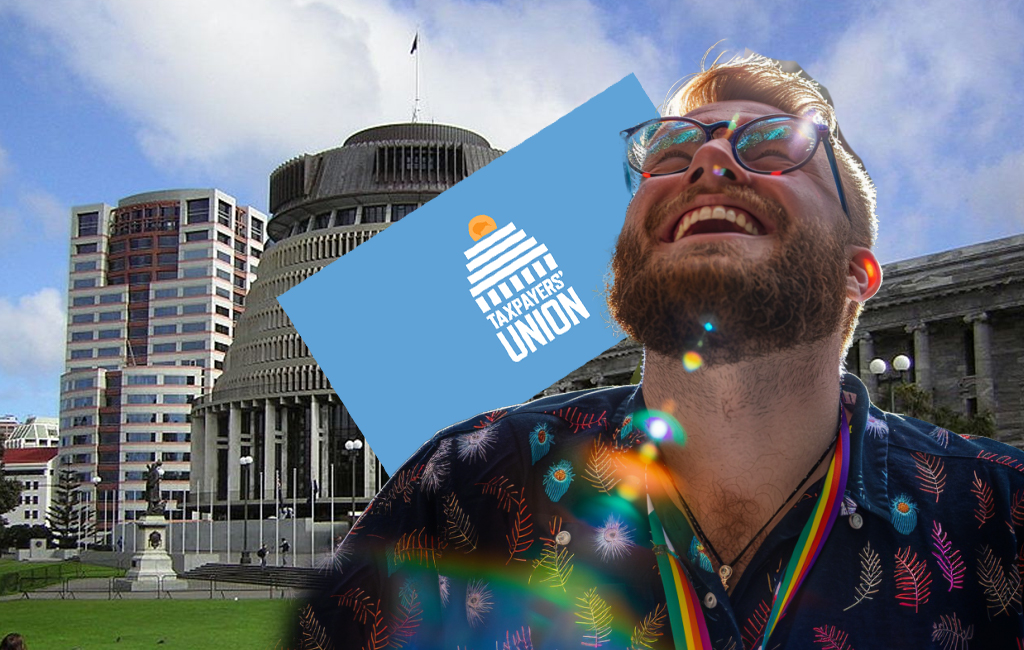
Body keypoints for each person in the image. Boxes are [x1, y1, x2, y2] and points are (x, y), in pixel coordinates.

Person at [294, 53, 1024, 649]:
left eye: (773, 148)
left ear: (856, 275)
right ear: (624, 257)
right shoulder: (464, 486)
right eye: (670, 152)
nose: (709, 159)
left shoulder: (1003, 517)